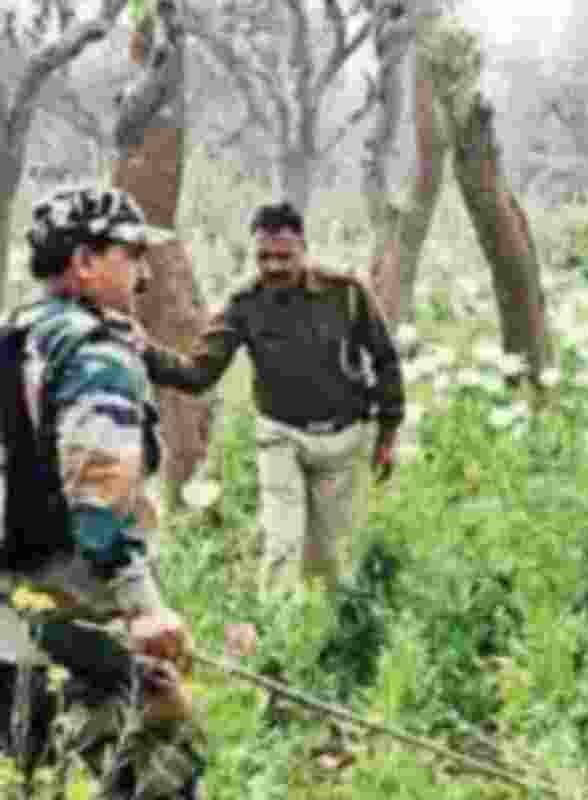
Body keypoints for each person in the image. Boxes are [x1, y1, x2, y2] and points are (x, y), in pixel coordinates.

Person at [0, 185, 201, 797]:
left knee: (29, 768)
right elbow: (100, 500)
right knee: (160, 775)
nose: (141, 275)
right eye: (130, 255)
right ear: (84, 262)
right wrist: (145, 610)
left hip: (9, 613)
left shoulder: (18, 335)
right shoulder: (96, 353)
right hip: (77, 605)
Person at [142, 201, 404, 595]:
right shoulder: (244, 304)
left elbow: (385, 359)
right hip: (281, 436)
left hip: (343, 438)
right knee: (282, 548)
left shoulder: (345, 293)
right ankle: (272, 637)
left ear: (304, 250)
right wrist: (141, 349)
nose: (274, 266)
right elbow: (199, 373)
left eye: (285, 256)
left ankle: (320, 644)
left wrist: (387, 434)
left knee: (329, 560)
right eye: (264, 257)